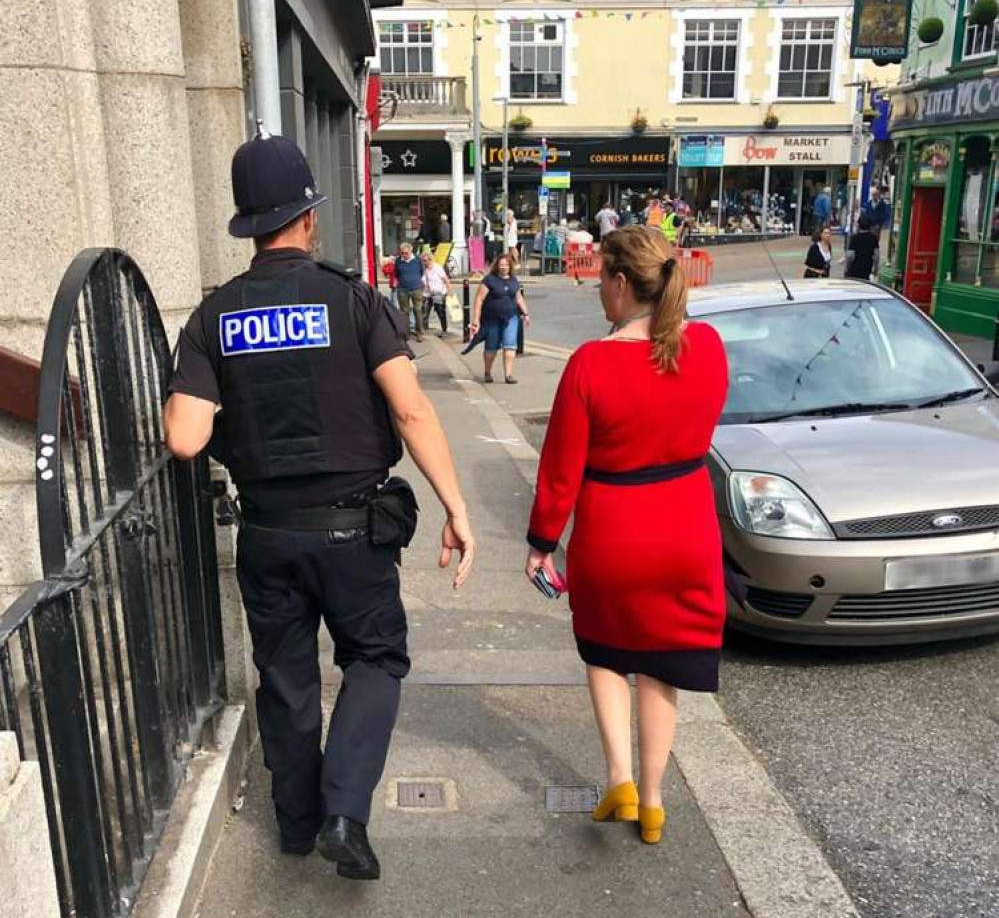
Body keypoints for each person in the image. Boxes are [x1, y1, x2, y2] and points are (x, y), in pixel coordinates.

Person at [162, 129, 475, 881]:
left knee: (287, 676)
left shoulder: (213, 318)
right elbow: (410, 411)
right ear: (308, 216)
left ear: (247, 224)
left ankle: (298, 825)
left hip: (269, 533)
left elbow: (183, 438)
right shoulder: (352, 298)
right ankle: (345, 810)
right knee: (373, 658)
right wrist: (457, 508)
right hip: (356, 530)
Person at [525, 225, 728, 846]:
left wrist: (541, 542)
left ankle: (618, 779)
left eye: (600, 283)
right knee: (661, 667)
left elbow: (561, 467)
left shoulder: (592, 363)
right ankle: (656, 802)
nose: (597, 296)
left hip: (614, 530)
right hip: (687, 524)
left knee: (608, 655)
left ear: (619, 282)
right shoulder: (709, 348)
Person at [468, 253, 530, 384]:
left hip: (511, 318)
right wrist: (476, 319)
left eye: (506, 265)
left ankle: (508, 375)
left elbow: (518, 297)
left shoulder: (513, 279)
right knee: (491, 347)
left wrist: (526, 313)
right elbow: (479, 299)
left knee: (510, 345)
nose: (504, 267)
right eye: (501, 265)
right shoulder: (489, 280)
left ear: (510, 266)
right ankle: (487, 372)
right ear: (497, 266)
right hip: (492, 319)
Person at [394, 243, 425, 341]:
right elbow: (396, 273)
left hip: (416, 288)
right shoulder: (398, 261)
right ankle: (406, 333)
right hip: (402, 289)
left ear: (411, 251)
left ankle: (420, 333)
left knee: (418, 311)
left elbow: (422, 271)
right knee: (404, 312)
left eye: (406, 253)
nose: (404, 255)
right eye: (402, 253)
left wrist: (416, 281)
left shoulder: (417, 259)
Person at [421, 252, 451, 337]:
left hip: (438, 293)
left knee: (440, 311)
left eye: (425, 260)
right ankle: (424, 329)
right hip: (428, 293)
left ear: (430, 260)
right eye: (422, 260)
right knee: (424, 311)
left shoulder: (437, 268)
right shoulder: (423, 269)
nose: (423, 262)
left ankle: (444, 329)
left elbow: (445, 280)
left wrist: (449, 291)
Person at [845, 214, 879, 281]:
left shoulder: (855, 238)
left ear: (859, 225)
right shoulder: (873, 238)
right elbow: (876, 255)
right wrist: (875, 268)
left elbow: (850, 255)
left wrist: (847, 267)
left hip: (855, 267)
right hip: (867, 266)